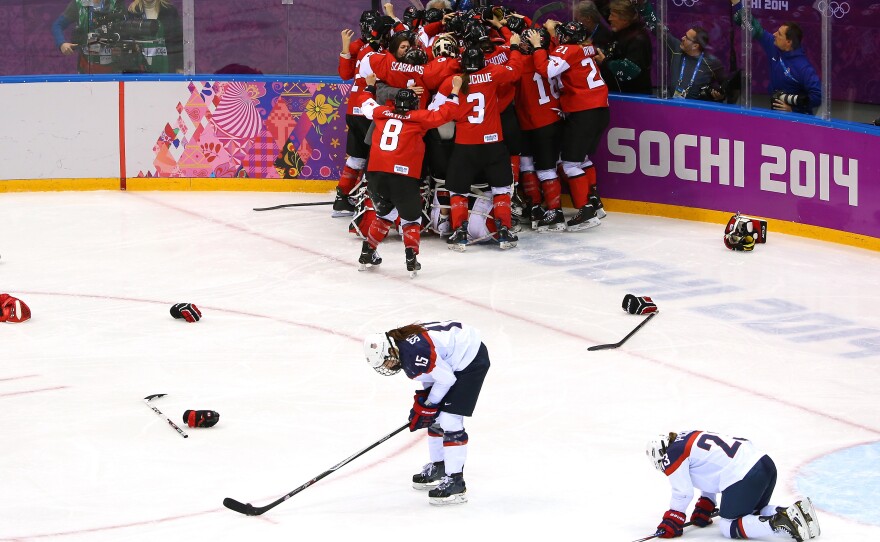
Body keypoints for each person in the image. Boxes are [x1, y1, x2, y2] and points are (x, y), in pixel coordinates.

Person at [363, 320, 491, 505]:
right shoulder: (402, 346)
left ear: (391, 351)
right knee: (436, 418)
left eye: (387, 362)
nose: (388, 367)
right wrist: (427, 407)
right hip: (453, 361)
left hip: (470, 359)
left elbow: (446, 379)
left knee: (449, 420)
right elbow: (433, 375)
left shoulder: (415, 353)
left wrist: (429, 405)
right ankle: (439, 467)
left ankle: (456, 482)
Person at [357, 75, 463, 276]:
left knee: (385, 214)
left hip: (375, 175)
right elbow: (447, 112)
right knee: (412, 219)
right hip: (403, 178)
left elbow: (364, 103)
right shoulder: (419, 118)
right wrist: (455, 90)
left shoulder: (382, 112)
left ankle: (367, 252)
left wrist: (370, 86)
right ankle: (411, 257)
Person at [646, 431, 821, 541]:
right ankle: (795, 512)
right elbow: (708, 468)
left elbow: (682, 492)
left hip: (745, 475)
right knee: (751, 513)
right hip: (765, 464)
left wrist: (673, 518)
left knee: (728, 526)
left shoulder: (671, 454)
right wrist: (706, 501)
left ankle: (779, 523)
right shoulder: (688, 436)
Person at [531, 21, 610, 231]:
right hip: (600, 109)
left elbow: (546, 70)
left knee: (569, 164)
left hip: (583, 112)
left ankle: (585, 211)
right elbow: (568, 53)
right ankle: (594, 202)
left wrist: (538, 47)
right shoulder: (584, 48)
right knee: (582, 159)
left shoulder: (566, 49)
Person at [731, 0, 821, 115]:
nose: (774, 34)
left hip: (798, 120)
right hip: (776, 114)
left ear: (788, 42)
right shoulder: (773, 46)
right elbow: (754, 27)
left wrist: (794, 110)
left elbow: (817, 96)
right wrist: (737, 3)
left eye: (779, 34)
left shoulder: (804, 68)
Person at [638, 1, 726, 102]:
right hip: (674, 106)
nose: (682, 38)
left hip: (698, 111)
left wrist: (721, 96)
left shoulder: (712, 62)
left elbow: (725, 86)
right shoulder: (676, 48)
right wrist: (643, 5)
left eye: (687, 38)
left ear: (695, 46)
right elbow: (658, 28)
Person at [594, 0, 653, 95]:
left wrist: (605, 62)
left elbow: (631, 68)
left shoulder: (638, 40)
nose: (609, 18)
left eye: (612, 15)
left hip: (634, 99)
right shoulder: (622, 30)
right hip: (618, 94)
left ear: (625, 19)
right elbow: (602, 7)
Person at [52, 0, 126, 74]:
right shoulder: (79, 4)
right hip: (87, 66)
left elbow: (128, 26)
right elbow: (58, 25)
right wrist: (62, 43)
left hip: (114, 67)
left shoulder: (116, 3)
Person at [126, 0, 183, 73]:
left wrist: (179, 66)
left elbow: (177, 41)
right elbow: (128, 42)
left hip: (167, 68)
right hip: (140, 70)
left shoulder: (170, 11)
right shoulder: (132, 12)